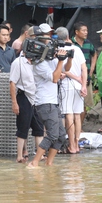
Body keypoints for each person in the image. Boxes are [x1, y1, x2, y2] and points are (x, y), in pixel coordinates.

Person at [26, 38, 72, 168]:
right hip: (44, 103)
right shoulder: (39, 64)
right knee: (52, 135)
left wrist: (69, 58)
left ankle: (49, 163)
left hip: (53, 102)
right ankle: (34, 162)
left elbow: (66, 69)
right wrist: (60, 60)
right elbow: (55, 78)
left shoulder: (51, 60)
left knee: (61, 136)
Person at [9, 34, 45, 163]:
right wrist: (14, 103)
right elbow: (12, 83)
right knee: (22, 127)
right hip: (23, 97)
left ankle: (39, 154)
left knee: (39, 128)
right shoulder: (18, 63)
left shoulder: (36, 62)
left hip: (35, 98)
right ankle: (19, 155)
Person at [56, 26, 87, 154]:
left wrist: (77, 79)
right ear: (68, 36)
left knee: (69, 114)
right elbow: (84, 69)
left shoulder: (59, 50)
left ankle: (72, 145)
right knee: (77, 115)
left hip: (67, 86)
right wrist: (84, 84)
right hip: (79, 86)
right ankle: (77, 144)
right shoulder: (77, 49)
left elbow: (63, 71)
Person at [72, 22, 97, 125]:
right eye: (83, 30)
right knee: (73, 104)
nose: (86, 32)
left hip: (86, 78)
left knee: (84, 104)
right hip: (73, 78)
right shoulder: (71, 44)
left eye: (86, 30)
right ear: (76, 32)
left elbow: (94, 54)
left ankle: (80, 126)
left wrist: (91, 70)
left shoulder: (88, 43)